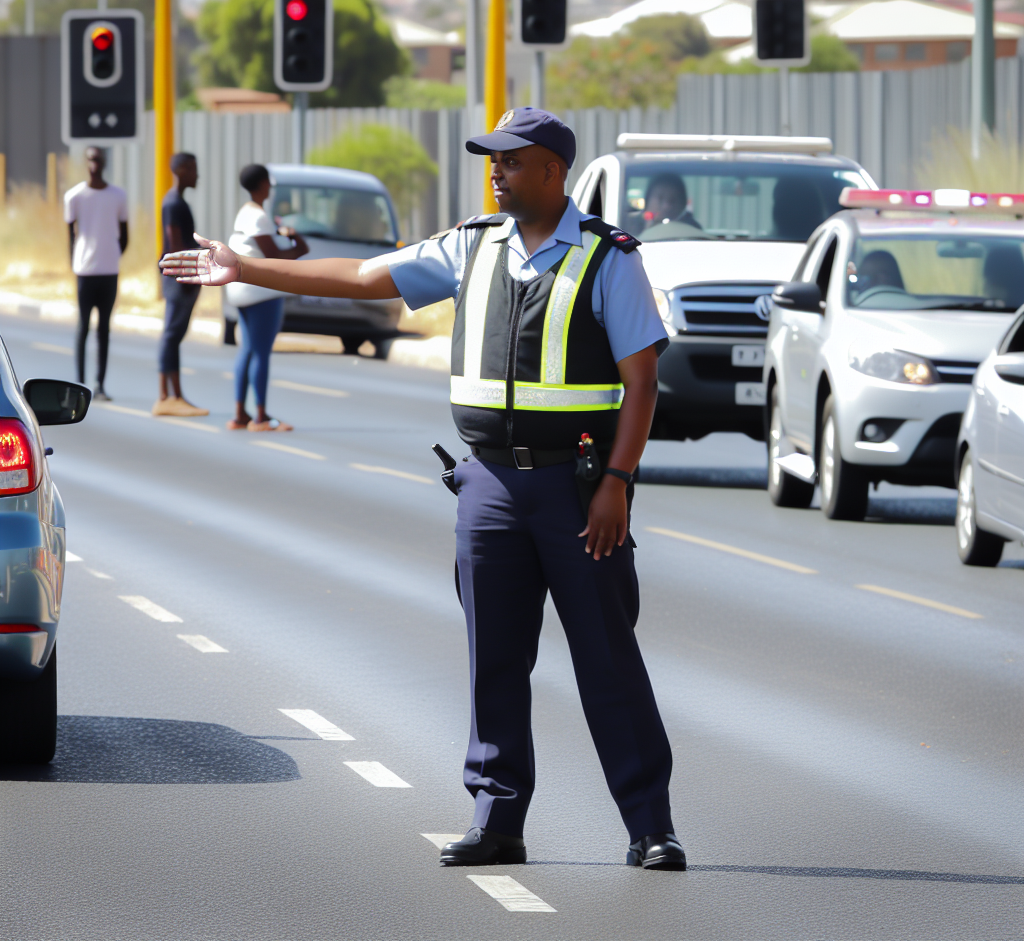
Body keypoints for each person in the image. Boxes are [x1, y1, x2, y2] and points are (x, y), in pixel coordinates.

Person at [162, 107, 686, 872]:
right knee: (494, 661)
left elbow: (643, 383)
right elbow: (363, 276)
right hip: (489, 487)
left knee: (606, 660)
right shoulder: (470, 247)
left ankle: (650, 826)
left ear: (551, 168)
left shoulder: (610, 261)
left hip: (578, 493)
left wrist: (617, 482)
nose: (496, 174)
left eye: (509, 162)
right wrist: (246, 270)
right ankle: (497, 819)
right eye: (491, 162)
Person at [226, 164, 308, 431]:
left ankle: (240, 414)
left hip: (240, 288)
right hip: (261, 291)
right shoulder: (260, 216)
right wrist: (298, 245)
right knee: (261, 352)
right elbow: (275, 257)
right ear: (262, 184)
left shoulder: (245, 212)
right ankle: (261, 417)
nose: (271, 188)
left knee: (247, 350)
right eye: (269, 183)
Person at [64, 146, 128, 401]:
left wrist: (111, 254)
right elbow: (70, 234)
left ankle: (99, 385)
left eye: (99, 160)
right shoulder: (75, 196)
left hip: (109, 270)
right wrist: (76, 260)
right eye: (91, 159)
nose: (95, 164)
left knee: (104, 328)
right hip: (85, 271)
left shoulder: (117, 195)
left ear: (104, 163)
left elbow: (125, 235)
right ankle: (77, 386)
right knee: (83, 326)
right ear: (86, 162)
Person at [154, 152, 208, 417]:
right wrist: (186, 275)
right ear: (182, 170)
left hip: (181, 276)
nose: (197, 174)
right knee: (171, 334)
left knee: (174, 334)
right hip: (179, 277)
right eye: (194, 169)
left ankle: (174, 394)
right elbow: (174, 243)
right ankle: (167, 396)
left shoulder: (176, 201)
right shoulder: (173, 203)